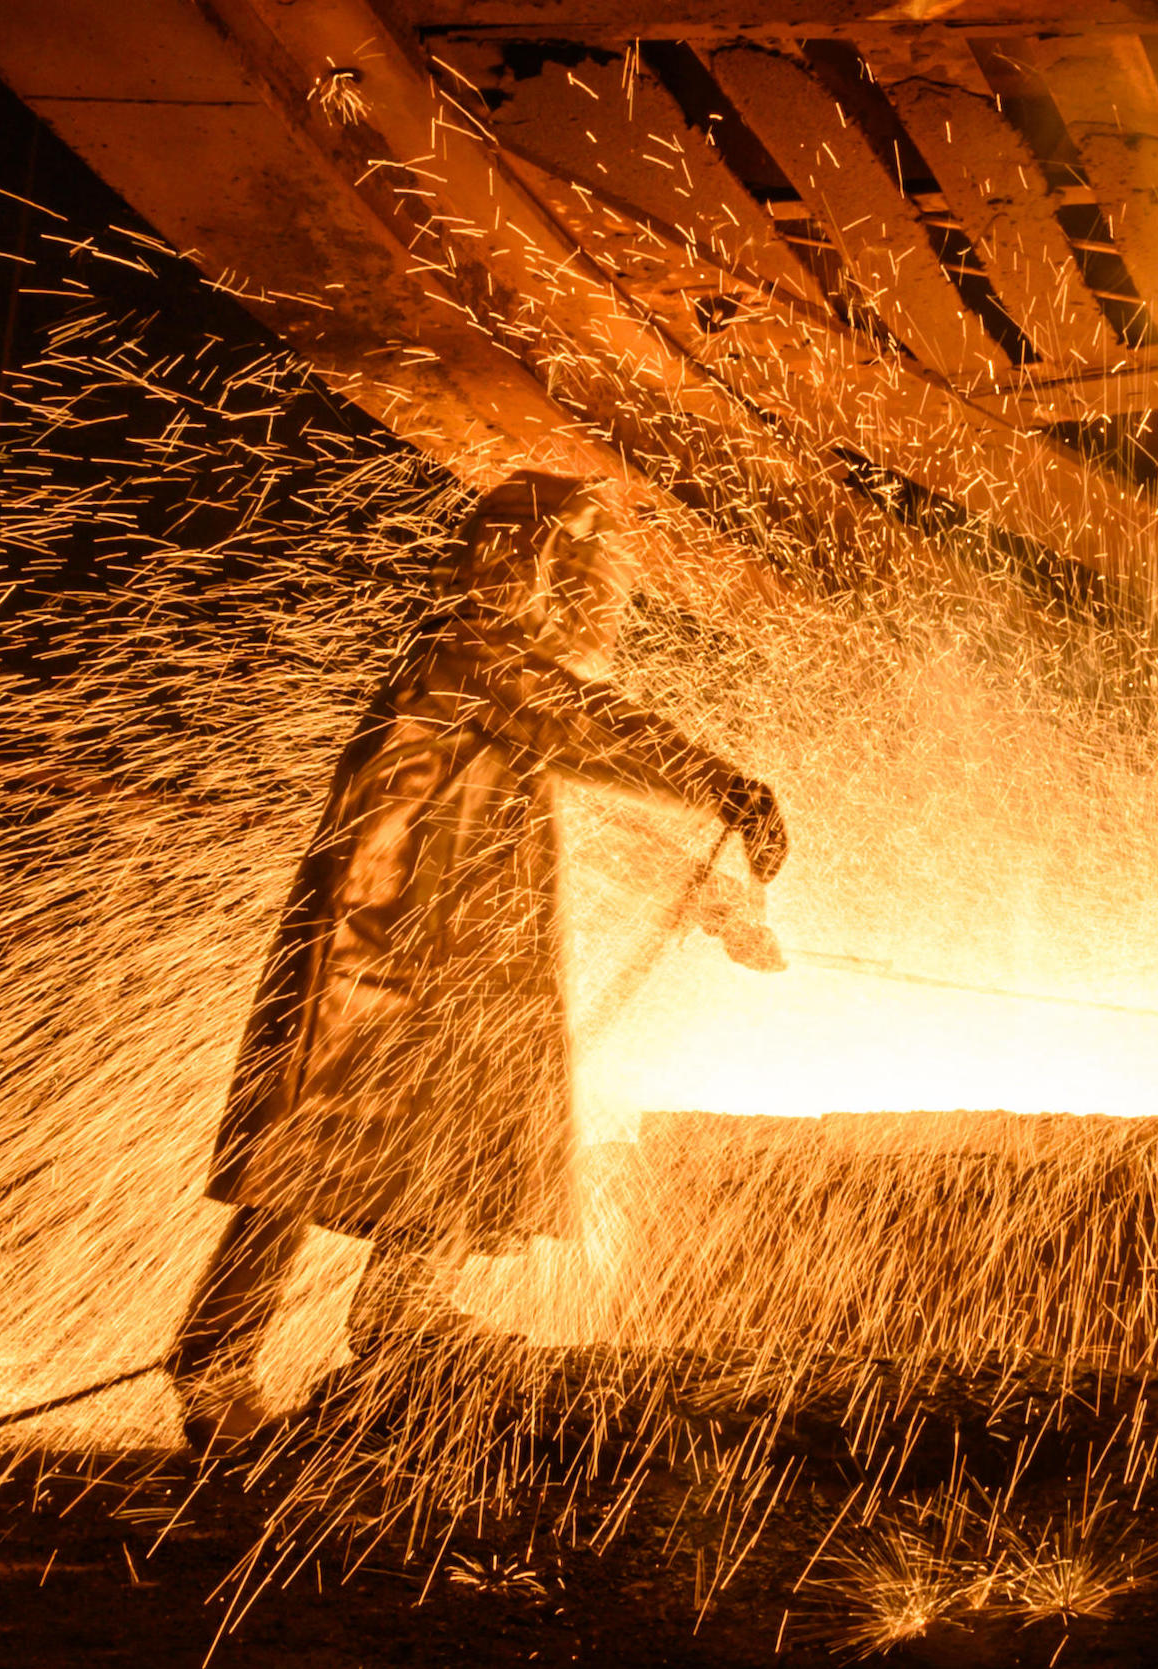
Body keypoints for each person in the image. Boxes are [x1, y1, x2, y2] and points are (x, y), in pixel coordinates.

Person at [168, 469, 789, 1446]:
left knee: (449, 1132)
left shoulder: (482, 674)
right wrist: (724, 784)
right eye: (590, 573)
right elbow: (582, 726)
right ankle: (215, 1362)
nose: (606, 599)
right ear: (543, 567)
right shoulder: (468, 659)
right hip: (377, 960)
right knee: (304, 1161)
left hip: (443, 965)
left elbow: (570, 794)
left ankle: (387, 1318)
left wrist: (709, 895)